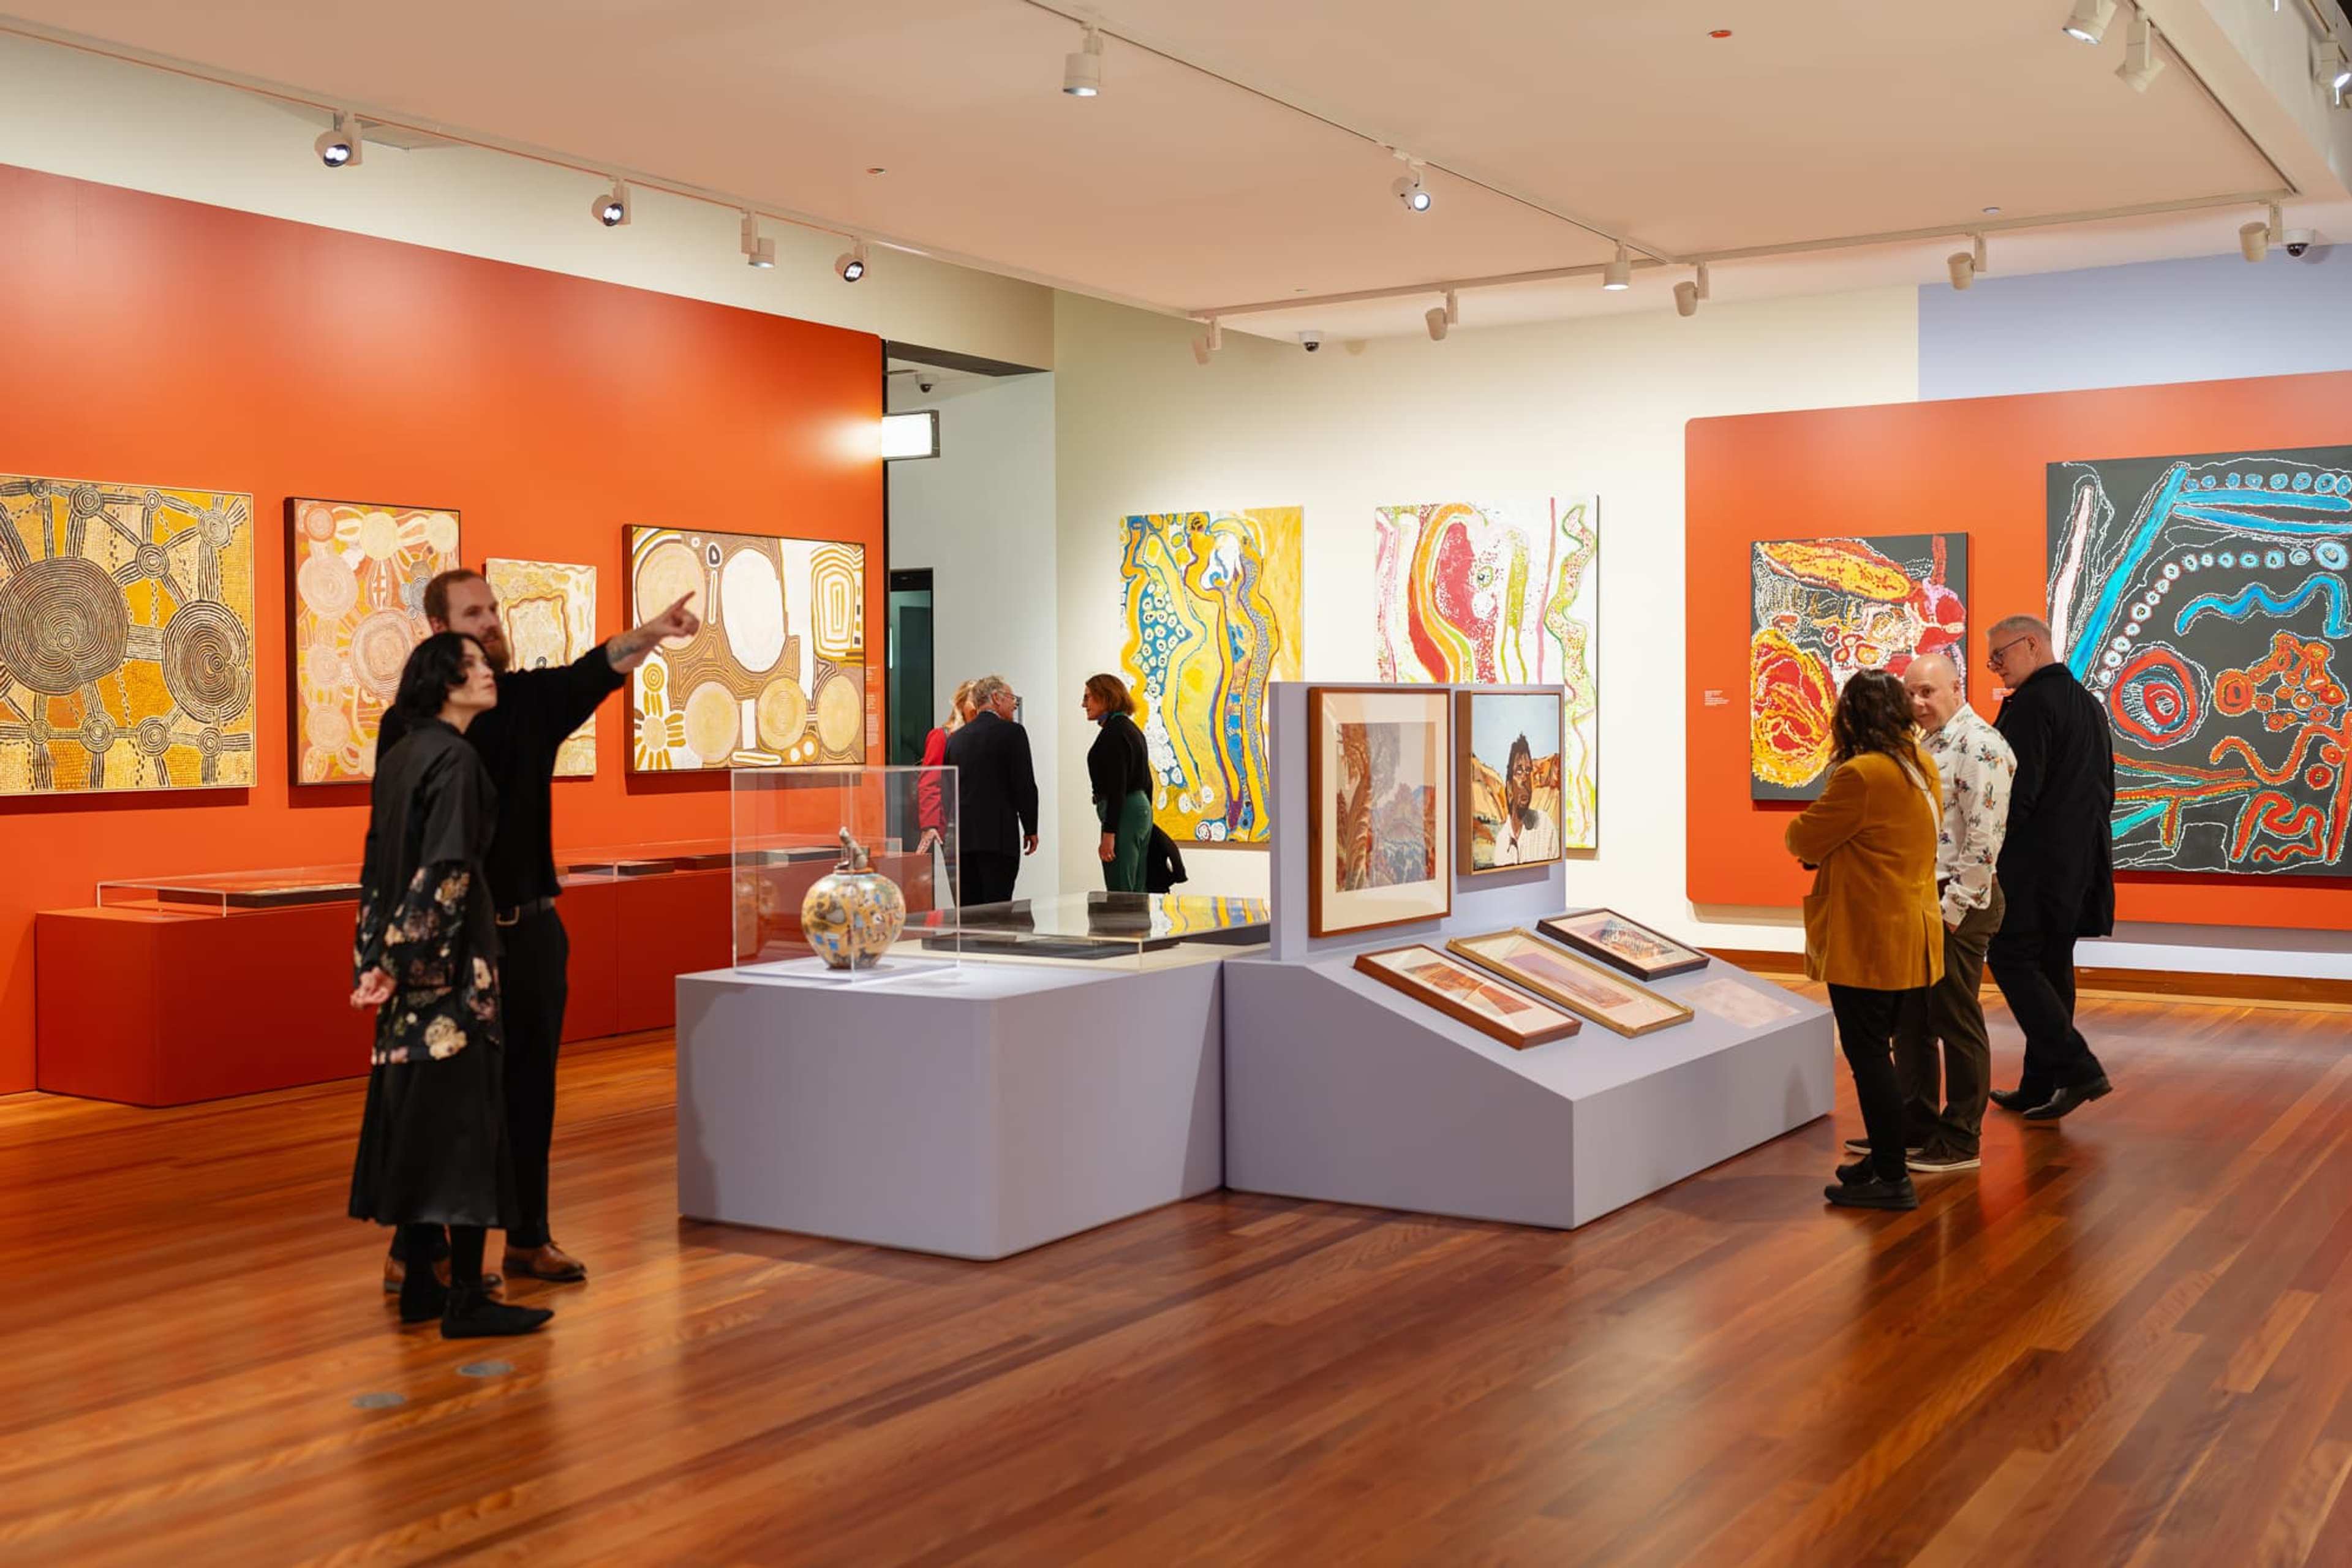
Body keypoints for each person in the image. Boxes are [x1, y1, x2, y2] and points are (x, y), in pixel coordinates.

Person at [374, 570, 698, 1292]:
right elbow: (398, 840)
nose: (491, 622)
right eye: (474, 613)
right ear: (440, 629)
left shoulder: (524, 702)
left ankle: (527, 1239)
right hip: (458, 941)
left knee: (529, 1089)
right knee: (447, 1097)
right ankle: (417, 1251)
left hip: (531, 930)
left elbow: (592, 670)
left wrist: (652, 630)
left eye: (493, 610)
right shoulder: (411, 730)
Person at [349, 633, 552, 1339]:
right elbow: (447, 872)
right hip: (454, 969)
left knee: (417, 1122)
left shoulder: (402, 755)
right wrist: (409, 959)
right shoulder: (458, 760)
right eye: (477, 665)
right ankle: (466, 1293)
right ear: (445, 679)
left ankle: (419, 1291)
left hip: (406, 971)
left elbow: (376, 868)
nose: (490, 673)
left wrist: (375, 960)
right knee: (469, 1126)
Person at [1785, 669, 1944, 1212]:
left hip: (1869, 936)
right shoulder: (1918, 763)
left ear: (1851, 716)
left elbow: (1802, 837)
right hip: (1911, 931)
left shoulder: (1862, 774)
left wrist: (1822, 845)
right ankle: (1883, 1159)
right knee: (1887, 1050)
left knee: (1869, 1055)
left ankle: (1892, 1177)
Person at [1866, 652, 2014, 1175]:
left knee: (1955, 1018)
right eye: (1910, 693)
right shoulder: (1927, 744)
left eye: (1928, 692)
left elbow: (1984, 839)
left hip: (1959, 903)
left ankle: (1961, 1137)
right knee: (1911, 1021)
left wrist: (1952, 911)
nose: (1917, 702)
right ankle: (1916, 1125)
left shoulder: (1981, 747)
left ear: (1957, 688)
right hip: (1923, 898)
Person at [1982, 614, 2117, 1121]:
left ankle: (2078, 1069)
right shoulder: (2085, 701)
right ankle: (2040, 1084)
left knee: (2013, 958)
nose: (1994, 667)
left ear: (2032, 645)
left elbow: (2016, 792)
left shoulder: (2034, 704)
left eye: (2000, 655)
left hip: (2035, 865)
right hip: (2077, 863)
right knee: (2052, 967)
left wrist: (1988, 851)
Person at [944, 674, 1037, 906]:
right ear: (996, 698)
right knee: (997, 910)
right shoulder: (1013, 733)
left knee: (967, 912)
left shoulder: (956, 739)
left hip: (962, 839)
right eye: (1011, 698)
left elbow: (947, 788)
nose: (1014, 704)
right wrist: (1031, 828)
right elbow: (1023, 784)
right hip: (998, 838)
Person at [1082, 672, 1153, 892]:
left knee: (1121, 889)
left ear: (1105, 697)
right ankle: (1138, 929)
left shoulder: (1114, 733)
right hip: (1139, 809)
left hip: (1124, 811)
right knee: (1136, 887)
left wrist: (1109, 834)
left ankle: (1126, 929)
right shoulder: (1130, 729)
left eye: (1088, 698)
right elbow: (1147, 781)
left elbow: (1116, 786)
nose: (1083, 704)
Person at [917, 680, 976, 854]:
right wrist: (930, 825)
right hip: (950, 826)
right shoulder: (942, 736)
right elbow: (929, 782)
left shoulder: (980, 738)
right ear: (961, 704)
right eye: (974, 700)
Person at [1491, 734, 1559, 865]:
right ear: (1510, 788)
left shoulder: (1545, 825)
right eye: (1519, 772)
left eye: (1528, 771)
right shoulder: (1502, 842)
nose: (1525, 779)